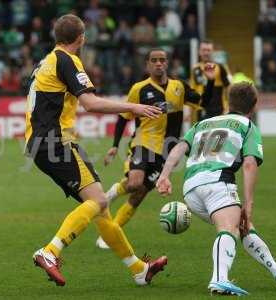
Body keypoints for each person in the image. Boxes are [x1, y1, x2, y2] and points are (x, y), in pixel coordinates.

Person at [25, 14, 167, 287]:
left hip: (41, 142)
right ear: (81, 38)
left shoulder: (45, 62)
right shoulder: (67, 60)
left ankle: (140, 270)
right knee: (100, 201)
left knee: (100, 209)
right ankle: (50, 251)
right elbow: (90, 103)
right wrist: (133, 107)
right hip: (56, 141)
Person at [156, 82, 276, 295]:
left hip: (190, 188)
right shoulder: (247, 125)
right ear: (253, 106)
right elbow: (250, 163)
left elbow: (179, 147)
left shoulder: (203, 123)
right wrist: (249, 201)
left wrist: (165, 175)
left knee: (243, 225)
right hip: (217, 181)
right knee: (229, 227)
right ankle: (219, 279)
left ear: (228, 101)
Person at [95, 49, 215, 249]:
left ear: (167, 63)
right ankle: (108, 197)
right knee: (134, 182)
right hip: (144, 142)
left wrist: (210, 82)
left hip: (166, 152)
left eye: (162, 60)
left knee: (140, 193)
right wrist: (115, 146)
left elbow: (204, 102)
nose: (158, 63)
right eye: (154, 61)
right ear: (148, 65)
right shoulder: (139, 89)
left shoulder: (179, 87)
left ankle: (111, 232)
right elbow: (123, 116)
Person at [190, 39, 231, 121]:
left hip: (219, 110)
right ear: (199, 52)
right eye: (203, 50)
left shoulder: (220, 67)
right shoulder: (195, 69)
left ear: (213, 52)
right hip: (201, 110)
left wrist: (229, 107)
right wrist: (191, 111)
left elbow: (228, 87)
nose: (206, 53)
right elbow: (193, 90)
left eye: (208, 50)